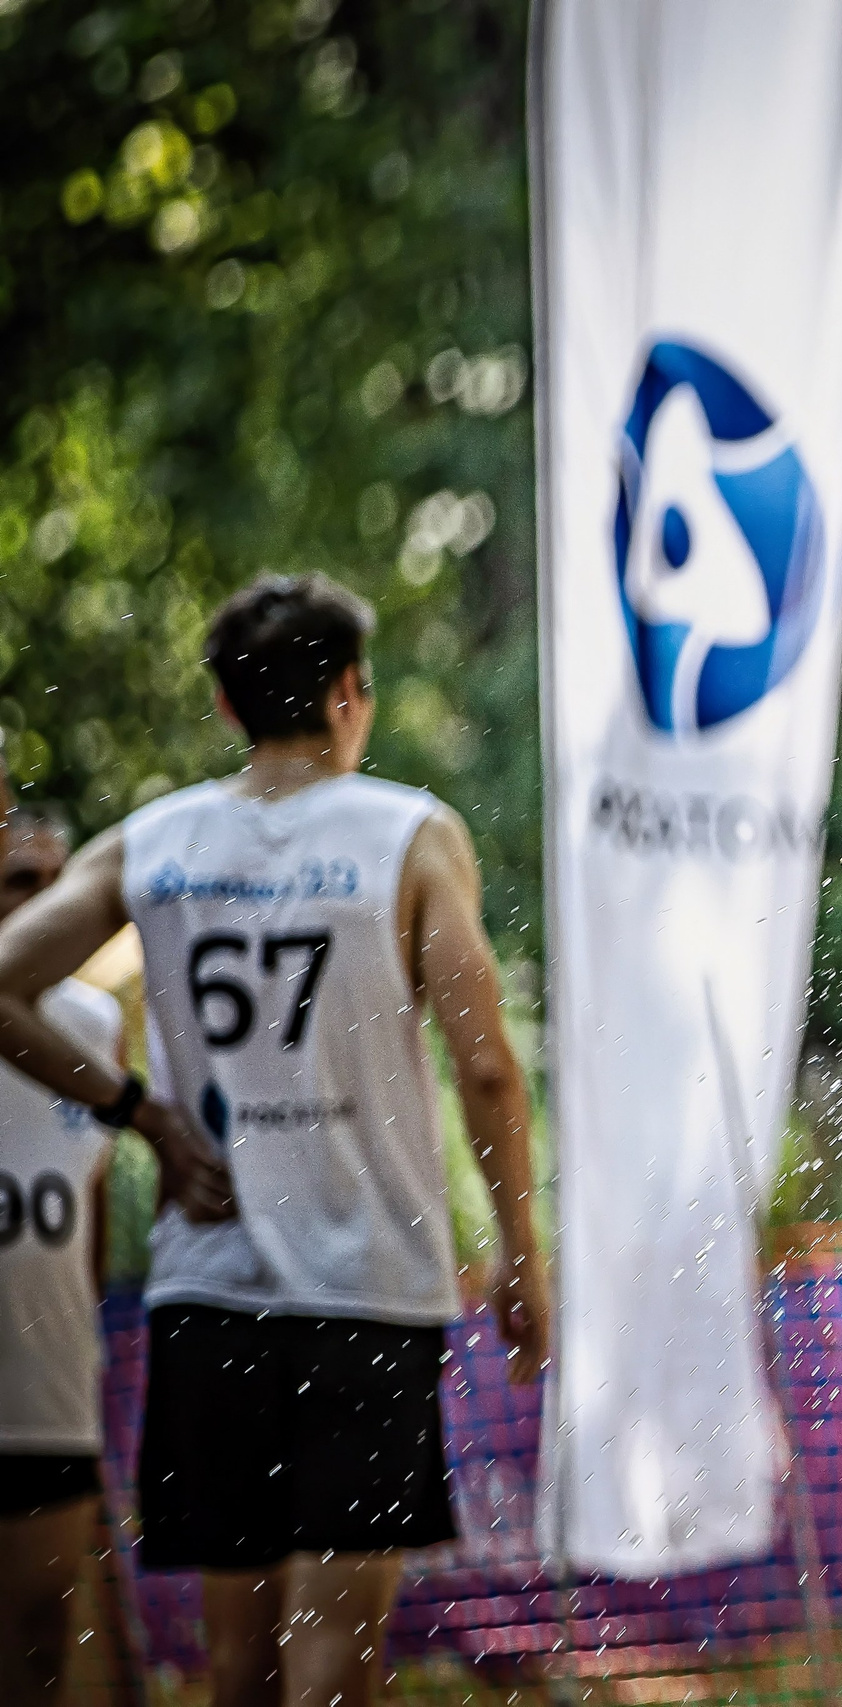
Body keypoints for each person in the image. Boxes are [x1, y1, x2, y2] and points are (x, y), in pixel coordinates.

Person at [0, 573, 553, 1707]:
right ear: (349, 692)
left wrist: (143, 1115)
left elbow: (5, 982)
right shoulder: (408, 835)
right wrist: (520, 1251)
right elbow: (487, 1064)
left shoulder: (156, 841)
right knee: (336, 1664)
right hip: (366, 1298)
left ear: (224, 703)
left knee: (239, 1670)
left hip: (208, 1298)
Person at [0, 811, 125, 1705]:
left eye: (59, 884)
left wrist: (92, 1343)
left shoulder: (95, 1020)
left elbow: (94, 1201)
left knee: (43, 1633)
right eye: (21, 881)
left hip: (54, 1384)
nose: (46, 903)